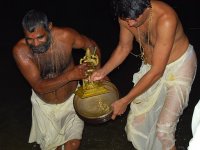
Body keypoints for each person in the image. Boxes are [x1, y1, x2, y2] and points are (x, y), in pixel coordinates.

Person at [90, 0, 197, 149]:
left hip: (179, 67)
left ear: (147, 6)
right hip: (152, 67)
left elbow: (157, 72)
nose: (131, 24)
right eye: (127, 19)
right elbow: (123, 47)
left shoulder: (166, 19)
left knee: (164, 131)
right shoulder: (126, 16)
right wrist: (102, 71)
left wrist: (125, 100)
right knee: (138, 124)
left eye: (135, 19)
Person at [12, 9, 101, 150]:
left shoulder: (66, 36)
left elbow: (91, 46)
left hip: (72, 101)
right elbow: (39, 86)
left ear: (50, 27)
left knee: (73, 144)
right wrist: (71, 75)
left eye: (40, 37)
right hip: (44, 108)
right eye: (30, 39)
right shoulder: (21, 51)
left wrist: (97, 71)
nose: (35, 44)